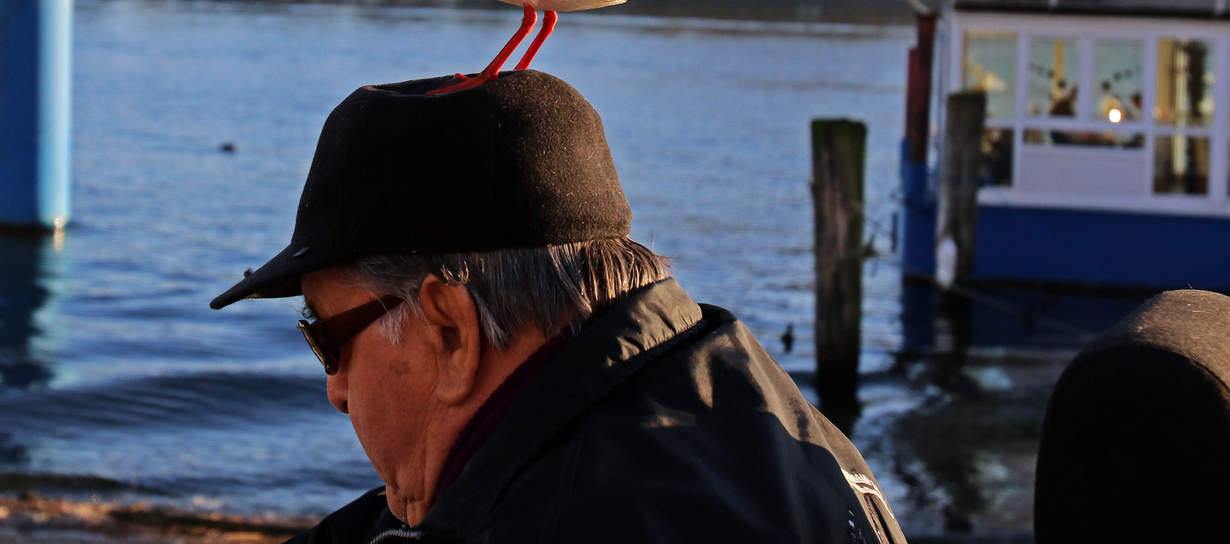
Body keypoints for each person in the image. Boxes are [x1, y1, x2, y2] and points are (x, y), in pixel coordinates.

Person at [211, 71, 905, 544]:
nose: (334, 389)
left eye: (327, 339)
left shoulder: (569, 519)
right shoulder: (742, 403)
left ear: (452, 332)